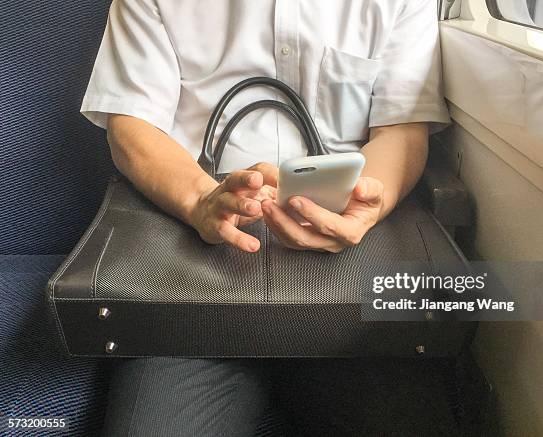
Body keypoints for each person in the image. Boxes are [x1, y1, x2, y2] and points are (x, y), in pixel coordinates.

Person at [81, 0, 450, 435]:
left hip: (352, 275)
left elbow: (402, 130)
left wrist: (361, 208)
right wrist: (201, 201)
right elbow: (133, 125)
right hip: (193, 258)